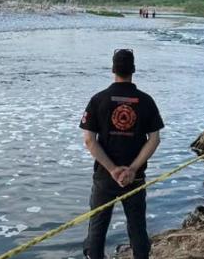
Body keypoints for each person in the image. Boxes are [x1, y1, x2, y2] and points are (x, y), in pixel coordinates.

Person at [80, 49, 164, 259]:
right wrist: (133, 169)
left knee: (97, 231)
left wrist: (112, 169)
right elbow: (154, 139)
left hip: (105, 176)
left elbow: (89, 140)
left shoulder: (98, 99)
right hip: (134, 178)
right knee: (137, 229)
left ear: (113, 69)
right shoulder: (146, 101)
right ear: (133, 70)